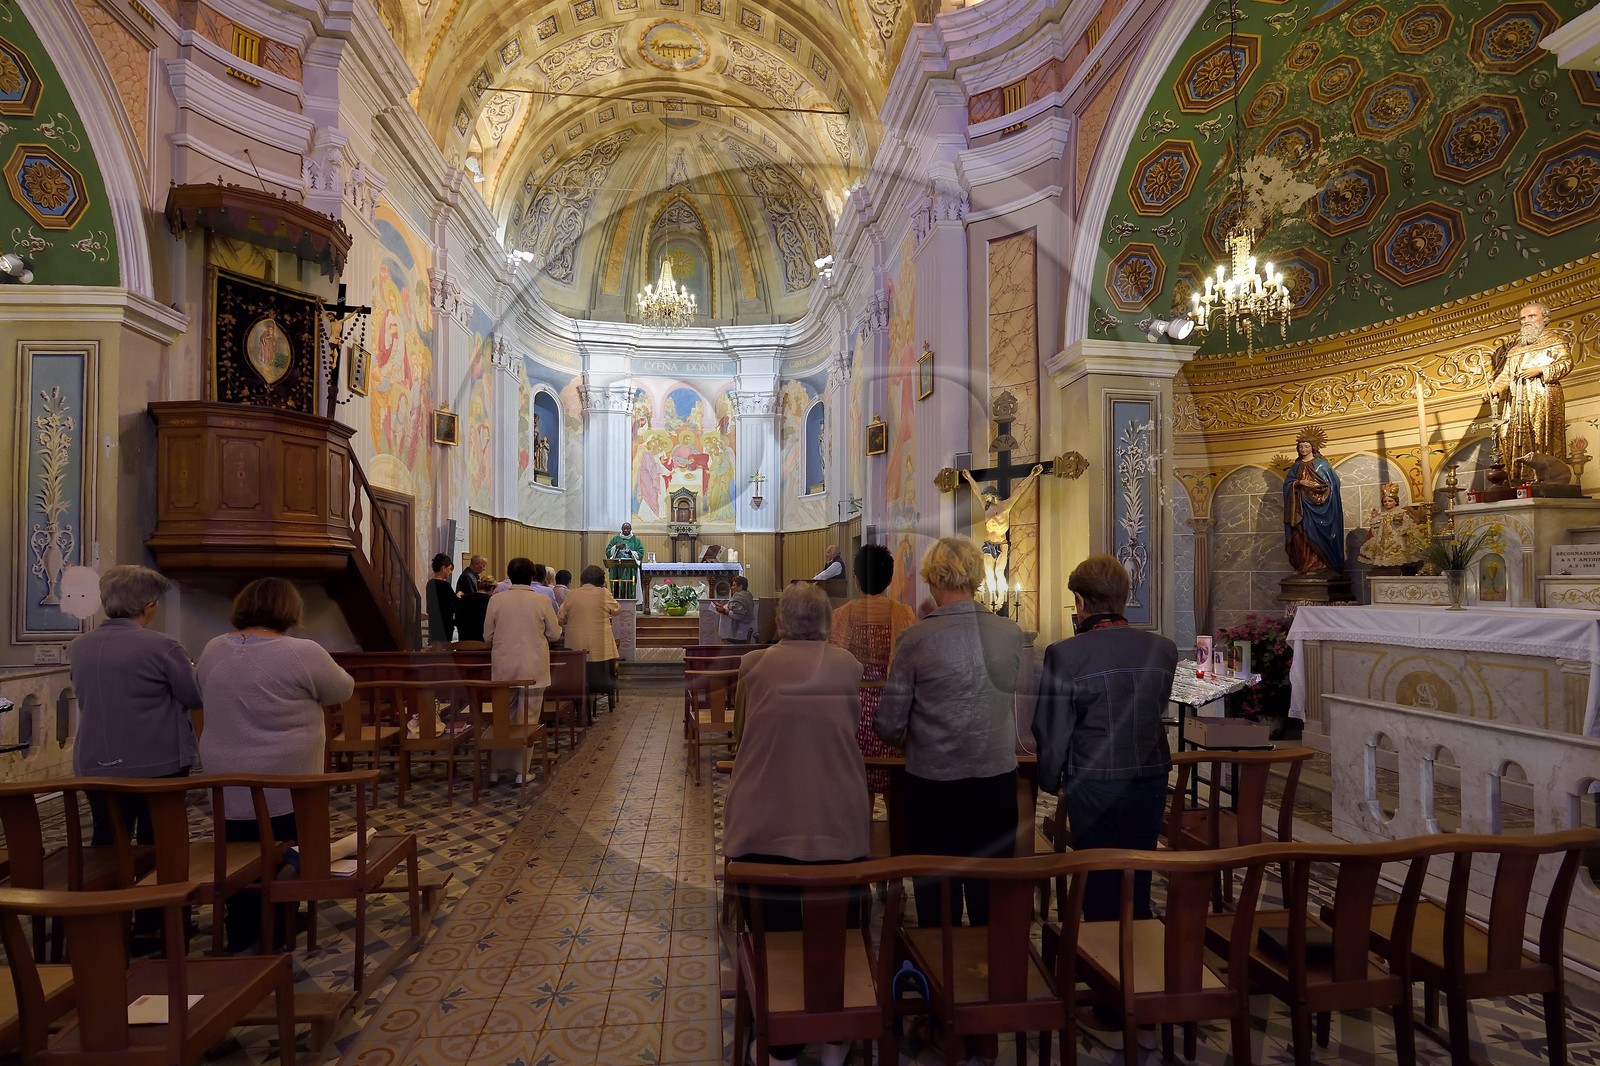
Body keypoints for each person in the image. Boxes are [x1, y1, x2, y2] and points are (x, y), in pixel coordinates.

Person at [724, 582, 867, 1066]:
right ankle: (833, 1037)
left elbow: (741, 736)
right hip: (837, 825)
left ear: (780, 623)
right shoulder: (849, 666)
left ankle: (782, 1042)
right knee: (838, 931)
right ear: (827, 624)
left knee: (776, 932)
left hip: (764, 826)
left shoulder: (754, 665)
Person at [197, 577, 354, 952]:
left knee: (238, 851)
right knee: (286, 849)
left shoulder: (214, 648)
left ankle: (242, 927)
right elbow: (342, 689)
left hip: (227, 781)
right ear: (289, 610)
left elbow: (201, 689)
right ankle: (279, 926)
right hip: (285, 779)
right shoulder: (302, 651)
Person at [875, 536, 1024, 927]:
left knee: (936, 901)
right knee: (989, 895)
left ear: (932, 578)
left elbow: (889, 724)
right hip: (995, 781)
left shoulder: (915, 639)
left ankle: (942, 979)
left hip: (934, 785)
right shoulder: (1009, 633)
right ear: (975, 577)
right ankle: (986, 976)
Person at [1032, 555, 1175, 924]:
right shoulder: (1163, 649)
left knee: (1097, 880)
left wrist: (1050, 780)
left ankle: (1103, 968)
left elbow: (1052, 728)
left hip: (1094, 781)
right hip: (1151, 775)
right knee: (1139, 874)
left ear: (1079, 601)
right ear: (1125, 598)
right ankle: (1137, 967)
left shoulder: (1064, 654)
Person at [69, 565, 202, 851]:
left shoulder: (79, 647)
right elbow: (193, 697)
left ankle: (106, 892)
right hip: (155, 760)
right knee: (158, 841)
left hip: (95, 761)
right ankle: (158, 893)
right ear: (149, 606)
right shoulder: (164, 647)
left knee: (107, 841)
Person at [828, 544, 916, 795]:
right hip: (893, 712)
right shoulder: (904, 614)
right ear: (890, 579)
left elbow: (833, 663)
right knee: (894, 785)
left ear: (856, 580)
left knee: (857, 787)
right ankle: (894, 833)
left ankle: (861, 833)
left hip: (853, 711)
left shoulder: (842, 615)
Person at [484, 557, 562, 781]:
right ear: (532, 577)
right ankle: (521, 771)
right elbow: (555, 634)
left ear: (509, 575)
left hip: (503, 669)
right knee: (527, 719)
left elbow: (487, 636)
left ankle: (495, 770)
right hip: (533, 667)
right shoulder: (541, 601)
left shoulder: (496, 600)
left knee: (502, 719)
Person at [1486, 301, 1573, 480]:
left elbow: (1566, 363)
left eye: (1531, 316)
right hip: (1516, 400)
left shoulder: (1555, 341)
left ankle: (1548, 478)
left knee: (1541, 433)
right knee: (1512, 435)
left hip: (1543, 395)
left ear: (1545, 319)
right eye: (1522, 318)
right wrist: (1495, 388)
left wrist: (1541, 370)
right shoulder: (1516, 349)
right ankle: (1519, 479)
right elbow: (1506, 374)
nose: (1526, 321)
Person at [960, 464, 1045, 601]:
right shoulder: (986, 506)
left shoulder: (1005, 505)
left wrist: (1032, 475)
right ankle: (992, 598)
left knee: (999, 572)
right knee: (988, 572)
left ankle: (1001, 598)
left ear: (992, 495)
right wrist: (969, 478)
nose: (985, 498)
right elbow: (976, 491)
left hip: (1001, 544)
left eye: (987, 496)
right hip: (989, 543)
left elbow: (1020, 490)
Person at [559, 565, 622, 715]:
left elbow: (560, 618)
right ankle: (594, 701)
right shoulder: (603, 593)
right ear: (601, 580)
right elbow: (617, 610)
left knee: (579, 678)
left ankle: (579, 704)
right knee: (598, 678)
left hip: (575, 650)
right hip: (600, 649)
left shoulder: (572, 594)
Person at [1282, 428, 1345, 573]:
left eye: (1306, 446)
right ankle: (1305, 565)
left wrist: (1319, 489)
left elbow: (1332, 485)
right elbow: (1287, 485)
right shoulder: (1296, 466)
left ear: (1313, 447)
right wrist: (1299, 483)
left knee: (1321, 536)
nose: (1303, 449)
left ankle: (1323, 565)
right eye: (1300, 447)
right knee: (1300, 536)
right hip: (1301, 507)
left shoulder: (1322, 465)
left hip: (1320, 507)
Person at [1357, 483, 1426, 568]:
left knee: (1400, 554)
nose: (1387, 503)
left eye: (1390, 501)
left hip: (1397, 539)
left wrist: (1399, 522)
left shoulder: (1401, 513)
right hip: (1383, 541)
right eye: (1385, 501)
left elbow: (1408, 528)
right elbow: (1375, 529)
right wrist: (1375, 517)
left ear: (1396, 502)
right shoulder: (1382, 515)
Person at [605, 522, 645, 600]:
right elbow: (608, 552)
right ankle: (616, 602)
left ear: (631, 529)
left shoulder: (636, 540)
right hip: (617, 567)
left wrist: (631, 552)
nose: (626, 530)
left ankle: (630, 603)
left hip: (630, 568)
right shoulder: (615, 539)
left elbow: (640, 553)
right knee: (616, 586)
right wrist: (615, 547)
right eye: (624, 529)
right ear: (621, 529)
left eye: (628, 529)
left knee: (630, 586)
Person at [455, 554, 491, 641]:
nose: (484, 569)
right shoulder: (467, 577)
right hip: (470, 622)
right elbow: (472, 599)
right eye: (483, 565)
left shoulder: (471, 576)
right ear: (477, 564)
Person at [713, 574, 758, 644]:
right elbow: (734, 608)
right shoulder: (745, 595)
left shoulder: (740, 597)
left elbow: (739, 615)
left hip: (738, 633)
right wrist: (723, 606)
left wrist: (724, 611)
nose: (731, 587)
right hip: (740, 632)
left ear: (740, 586)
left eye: (734, 585)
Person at [425, 553, 458, 645]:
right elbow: (455, 601)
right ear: (443, 568)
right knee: (445, 648)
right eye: (449, 569)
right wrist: (458, 595)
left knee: (435, 646)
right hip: (445, 620)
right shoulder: (445, 585)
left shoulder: (430, 583)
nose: (450, 572)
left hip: (434, 619)